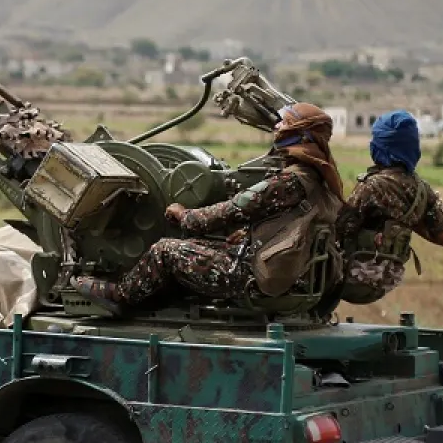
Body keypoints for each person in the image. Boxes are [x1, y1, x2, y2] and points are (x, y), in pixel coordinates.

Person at [72, 103, 346, 316]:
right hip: (292, 278)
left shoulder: (289, 182)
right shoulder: (321, 183)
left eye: (285, 123)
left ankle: (120, 296)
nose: (277, 127)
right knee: (196, 245)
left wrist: (184, 215)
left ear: (298, 134)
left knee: (166, 249)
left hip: (254, 279)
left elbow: (229, 211)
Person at [334, 110, 443, 304]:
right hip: (386, 280)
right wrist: (406, 219)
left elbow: (339, 229)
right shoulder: (422, 191)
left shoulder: (371, 187)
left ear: (378, 147)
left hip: (352, 278)